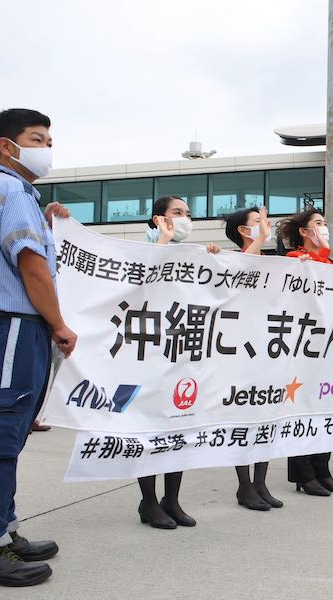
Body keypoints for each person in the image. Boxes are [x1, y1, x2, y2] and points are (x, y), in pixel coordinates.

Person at [0, 109, 77, 586]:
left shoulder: (19, 194)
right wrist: (60, 325)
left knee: (12, 434)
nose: (46, 147)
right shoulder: (9, 190)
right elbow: (32, 268)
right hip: (10, 329)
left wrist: (48, 222)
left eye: (50, 139)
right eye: (37, 138)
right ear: (8, 146)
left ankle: (0, 532)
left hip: (17, 331)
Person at [138, 196, 220, 528]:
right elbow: (144, 285)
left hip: (183, 350)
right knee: (151, 429)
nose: (185, 218)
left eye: (187, 214)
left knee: (179, 425)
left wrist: (213, 259)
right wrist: (164, 241)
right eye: (177, 213)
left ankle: (172, 499)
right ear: (158, 218)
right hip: (151, 353)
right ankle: (148, 502)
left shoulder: (190, 254)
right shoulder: (144, 249)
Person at [278, 209, 333, 496]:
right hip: (302, 348)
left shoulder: (331, 263)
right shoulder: (294, 260)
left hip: (328, 348)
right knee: (303, 411)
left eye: (324, 223)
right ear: (304, 232)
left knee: (326, 410)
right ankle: (304, 475)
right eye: (318, 224)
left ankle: (323, 469)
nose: (324, 228)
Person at [223, 207, 284, 510]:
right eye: (258, 223)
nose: (265, 227)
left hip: (269, 350)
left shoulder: (272, 263)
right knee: (244, 421)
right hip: (242, 353)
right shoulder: (232, 259)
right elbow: (245, 270)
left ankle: (261, 483)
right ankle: (244, 485)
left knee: (265, 419)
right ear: (243, 232)